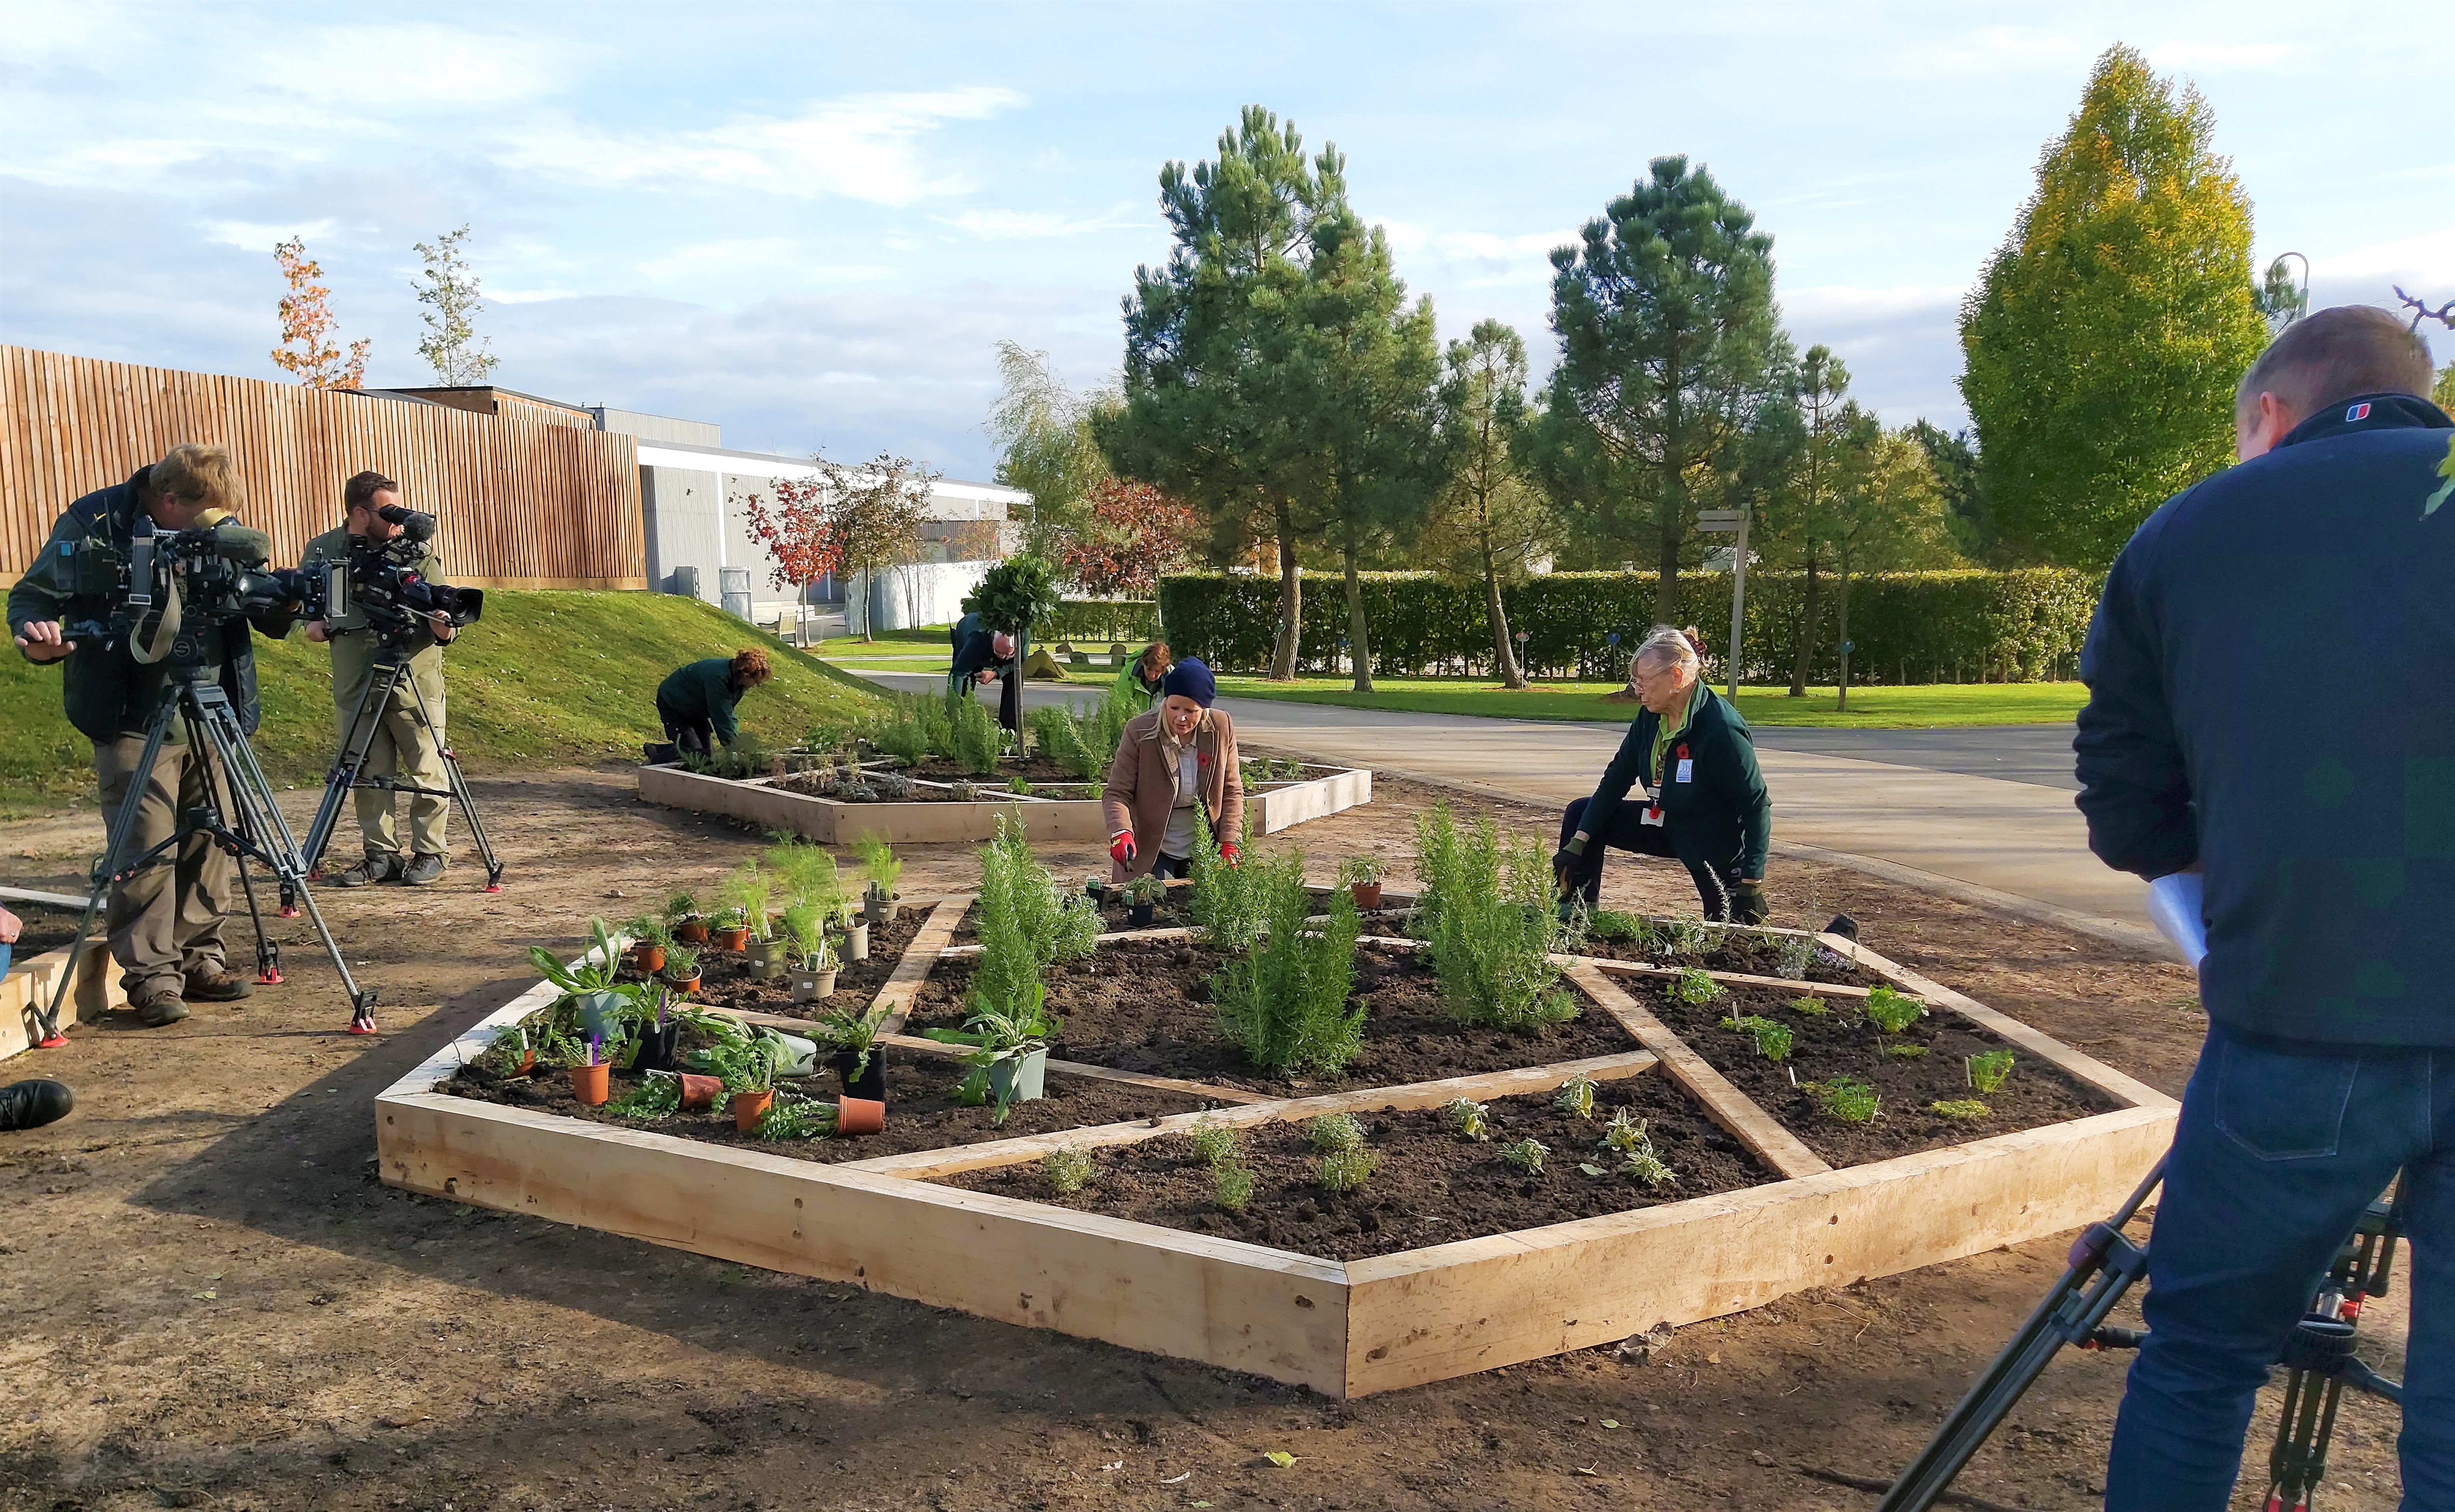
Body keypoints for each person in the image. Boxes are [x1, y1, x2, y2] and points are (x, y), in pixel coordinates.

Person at [2078, 306, 2455, 1510]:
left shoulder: (2188, 534)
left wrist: (2245, 880)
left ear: (2269, 416)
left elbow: (2126, 809)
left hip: (2301, 1018)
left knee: (2197, 1363)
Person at [7, 443, 284, 1028]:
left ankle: (200, 958)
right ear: (167, 500)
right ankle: (152, 979)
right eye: (205, 514)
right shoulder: (94, 523)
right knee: (144, 848)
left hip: (213, 708)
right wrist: (35, 637)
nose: (216, 526)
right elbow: (32, 598)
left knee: (210, 843)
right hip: (133, 712)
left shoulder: (216, 530)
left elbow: (257, 599)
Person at [299, 471, 460, 888]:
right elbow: (312, 616)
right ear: (359, 513)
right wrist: (315, 624)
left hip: (414, 683)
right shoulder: (325, 552)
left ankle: (430, 852)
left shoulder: (416, 553)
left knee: (427, 772)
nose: (396, 521)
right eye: (386, 512)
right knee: (368, 774)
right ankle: (380, 856)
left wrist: (445, 626)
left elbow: (447, 616)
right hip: (358, 683)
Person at [1552, 625, 1771, 923]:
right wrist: (1578, 842)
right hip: (1666, 821)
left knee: (1733, 939)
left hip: (1713, 842)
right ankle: (1574, 919)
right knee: (1581, 814)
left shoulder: (1722, 730)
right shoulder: (1651, 715)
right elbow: (1617, 779)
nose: (1636, 690)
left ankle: (1835, 937)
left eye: (1644, 681)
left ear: (1676, 678)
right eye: (1635, 680)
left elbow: (1755, 805)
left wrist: (1752, 881)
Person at [1101, 657, 1244, 882]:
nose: (1181, 717)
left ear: (1205, 709)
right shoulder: (1140, 732)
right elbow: (1117, 793)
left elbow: (1231, 791)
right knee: (1150, 906)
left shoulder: (1221, 727)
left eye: (1191, 710)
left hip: (1204, 846)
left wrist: (1230, 841)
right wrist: (1121, 831)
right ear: (1165, 702)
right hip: (1152, 847)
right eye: (1174, 707)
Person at [656, 648, 772, 756]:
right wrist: (735, 750)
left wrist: (737, 744)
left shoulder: (738, 680)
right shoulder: (718, 679)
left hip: (694, 708)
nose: (755, 686)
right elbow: (721, 717)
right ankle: (653, 763)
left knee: (709, 754)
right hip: (673, 702)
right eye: (757, 682)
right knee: (697, 756)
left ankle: (656, 750)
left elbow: (729, 715)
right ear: (747, 675)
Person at [1112, 640, 1172, 714]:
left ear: (1165, 668)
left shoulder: (1173, 675)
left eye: (1157, 671)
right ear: (1143, 663)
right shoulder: (1128, 674)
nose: (1153, 675)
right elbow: (1119, 706)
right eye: (1149, 669)